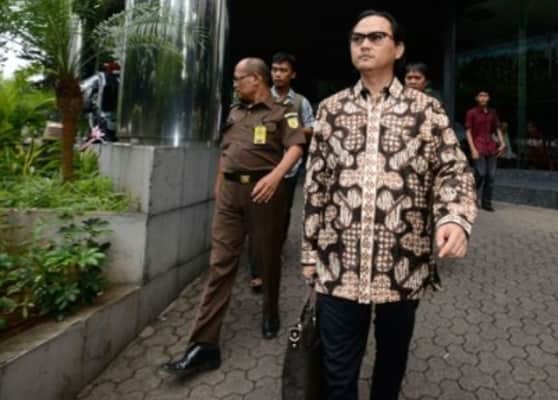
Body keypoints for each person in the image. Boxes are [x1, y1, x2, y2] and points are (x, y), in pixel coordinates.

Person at [301, 10, 478, 400]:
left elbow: (452, 169)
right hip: (338, 266)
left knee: (391, 367)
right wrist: (309, 253)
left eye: (376, 37)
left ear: (398, 49)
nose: (364, 44)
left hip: (402, 266)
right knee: (337, 374)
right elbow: (316, 186)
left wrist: (454, 217)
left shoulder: (426, 110)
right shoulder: (330, 109)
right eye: (357, 38)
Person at [162, 58, 305, 376]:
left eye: (239, 78)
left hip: (263, 192)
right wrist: (219, 184)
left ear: (256, 79)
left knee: (267, 257)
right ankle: (204, 345)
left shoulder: (284, 111)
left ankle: (270, 311)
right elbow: (225, 151)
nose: (236, 84)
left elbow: (296, 147)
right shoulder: (234, 112)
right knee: (220, 263)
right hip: (229, 193)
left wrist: (276, 177)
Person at [248, 52, 315, 291]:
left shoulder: (301, 102)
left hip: (289, 170)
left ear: (292, 75)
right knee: (257, 218)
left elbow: (312, 128)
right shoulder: (260, 96)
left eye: (283, 70)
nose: (278, 74)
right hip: (261, 167)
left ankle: (275, 251)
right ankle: (257, 270)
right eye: (275, 70)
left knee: (281, 216)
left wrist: (289, 130)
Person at [465, 90, 506, 211]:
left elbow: (497, 128)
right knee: (481, 173)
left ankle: (486, 202)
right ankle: (470, 196)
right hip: (478, 146)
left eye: (485, 96)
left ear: (489, 98)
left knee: (491, 176)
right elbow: (468, 131)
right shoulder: (471, 113)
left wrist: (502, 142)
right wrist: (472, 149)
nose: (483, 98)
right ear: (476, 98)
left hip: (491, 147)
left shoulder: (492, 113)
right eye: (481, 96)